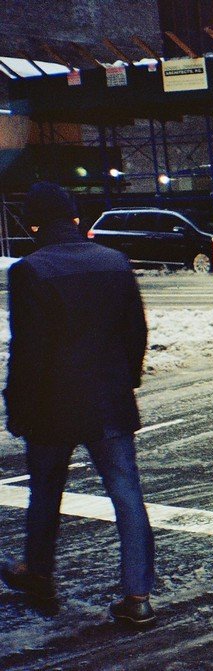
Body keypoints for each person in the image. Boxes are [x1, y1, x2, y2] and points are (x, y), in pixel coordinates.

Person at [2, 182, 155, 626]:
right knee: (127, 494)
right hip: (109, 402)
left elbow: (27, 351)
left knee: (45, 491)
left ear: (34, 225)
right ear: (74, 219)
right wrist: (124, 381)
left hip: (51, 406)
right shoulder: (115, 262)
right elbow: (136, 333)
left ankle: (39, 575)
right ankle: (138, 595)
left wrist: (17, 406)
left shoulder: (29, 270)